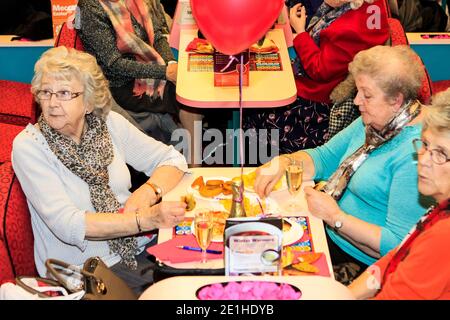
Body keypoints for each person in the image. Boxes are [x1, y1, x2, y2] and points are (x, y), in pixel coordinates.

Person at [11, 46, 188, 295]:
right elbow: (70, 224)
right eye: (45, 92)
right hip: (88, 270)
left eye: (64, 93)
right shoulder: (30, 146)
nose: (51, 103)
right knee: (178, 291)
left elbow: (171, 159)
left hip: (136, 245)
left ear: (88, 102)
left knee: (202, 269)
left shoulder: (108, 124)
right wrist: (143, 220)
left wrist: (148, 191)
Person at [253, 45, 430, 283]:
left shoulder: (417, 155)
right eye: (357, 91)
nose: (357, 101)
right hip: (326, 230)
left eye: (366, 95)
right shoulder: (378, 120)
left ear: (396, 100)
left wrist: (336, 217)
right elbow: (325, 157)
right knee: (256, 251)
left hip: (361, 265)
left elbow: (398, 244)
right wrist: (285, 161)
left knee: (266, 273)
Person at [244, 0, 389, 153]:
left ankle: (254, 167)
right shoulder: (373, 6)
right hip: (332, 88)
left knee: (255, 113)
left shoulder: (349, 29)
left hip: (318, 104)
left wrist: (300, 32)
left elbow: (319, 70)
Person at [349, 88, 450, 299]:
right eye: (425, 145)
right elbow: (396, 257)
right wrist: (347, 295)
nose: (422, 160)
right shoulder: (440, 208)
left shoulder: (443, 236)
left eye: (441, 153)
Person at [76, 0, 203, 147]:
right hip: (121, 85)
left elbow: (157, 36)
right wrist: (165, 72)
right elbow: (115, 64)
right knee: (184, 95)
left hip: (151, 68)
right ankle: (195, 165)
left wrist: (171, 63)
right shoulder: (90, 6)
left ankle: (190, 146)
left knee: (190, 83)